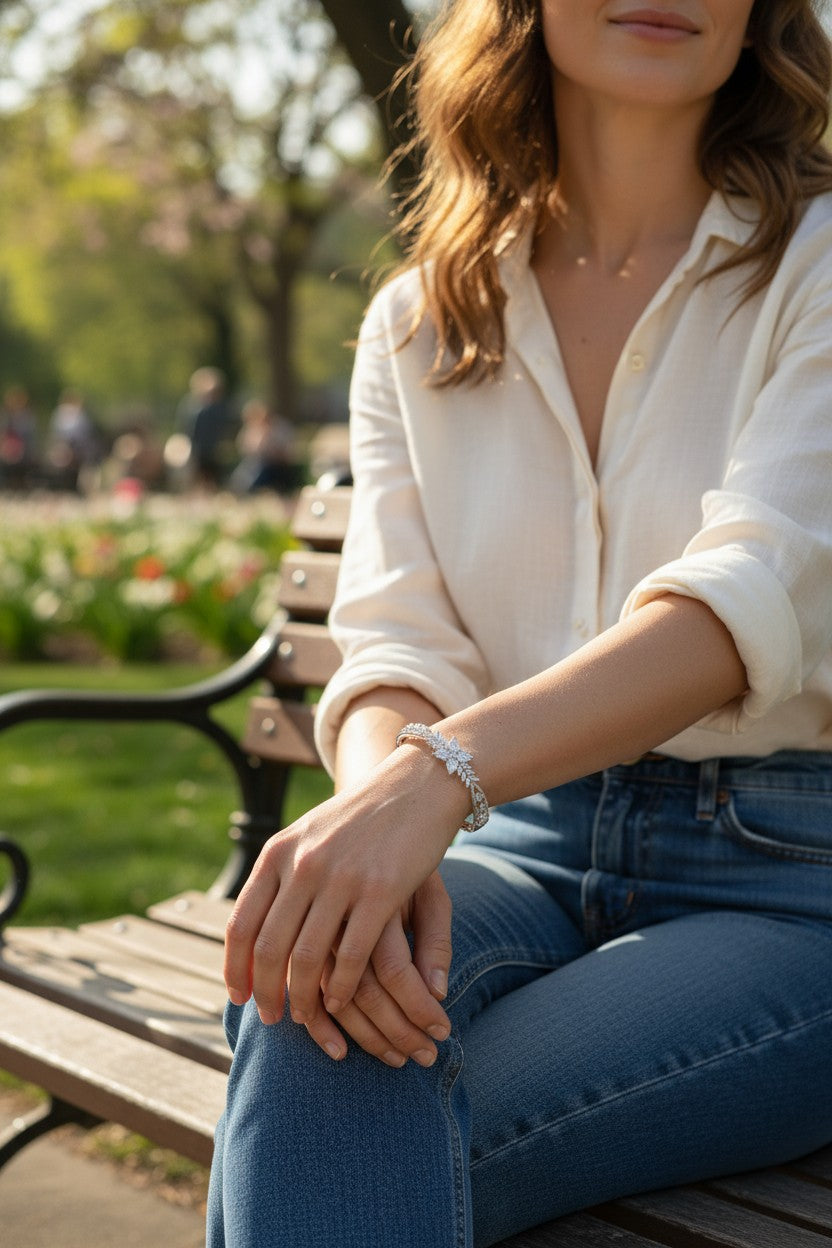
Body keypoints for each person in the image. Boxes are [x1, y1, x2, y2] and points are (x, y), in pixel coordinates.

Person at [207, 2, 832, 1244]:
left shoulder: (816, 265)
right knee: (320, 993)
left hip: (783, 880)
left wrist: (430, 784)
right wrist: (378, 836)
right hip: (519, 841)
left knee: (330, 1125)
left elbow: (744, 598)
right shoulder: (418, 318)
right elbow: (396, 645)